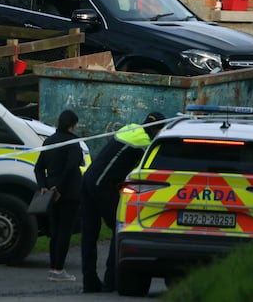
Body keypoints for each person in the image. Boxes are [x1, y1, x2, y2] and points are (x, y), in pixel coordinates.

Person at [79, 111, 166, 293]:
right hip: (101, 186)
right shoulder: (145, 143)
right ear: (156, 130)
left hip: (88, 180)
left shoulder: (130, 129)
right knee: (119, 229)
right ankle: (111, 280)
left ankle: (89, 282)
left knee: (89, 234)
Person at [34, 109, 84, 282]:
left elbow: (38, 168)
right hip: (69, 193)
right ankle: (58, 269)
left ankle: (52, 268)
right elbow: (71, 167)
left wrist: (43, 187)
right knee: (65, 231)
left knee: (54, 231)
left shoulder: (49, 141)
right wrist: (59, 188)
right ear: (72, 125)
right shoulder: (73, 142)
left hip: (49, 192)